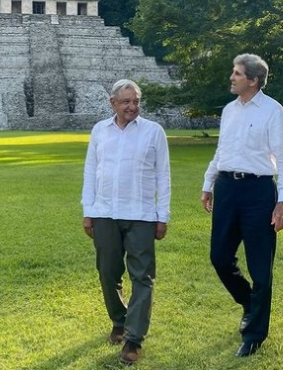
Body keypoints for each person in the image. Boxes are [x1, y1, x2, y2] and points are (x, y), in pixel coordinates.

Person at [200, 53, 283, 357]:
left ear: (253, 80)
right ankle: (249, 303)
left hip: (258, 193)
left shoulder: (273, 111)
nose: (231, 77)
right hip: (227, 189)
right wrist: (208, 184)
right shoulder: (229, 110)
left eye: (237, 73)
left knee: (260, 268)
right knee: (219, 257)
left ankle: (254, 333)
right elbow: (221, 151)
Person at [81, 79, 171, 365]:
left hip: (142, 215)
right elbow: (90, 172)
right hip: (105, 212)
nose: (132, 107)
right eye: (126, 102)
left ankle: (133, 339)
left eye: (135, 101)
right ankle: (119, 321)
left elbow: (163, 177)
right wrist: (88, 210)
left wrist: (162, 216)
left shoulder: (153, 132)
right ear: (113, 103)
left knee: (142, 277)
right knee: (108, 272)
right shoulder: (100, 131)